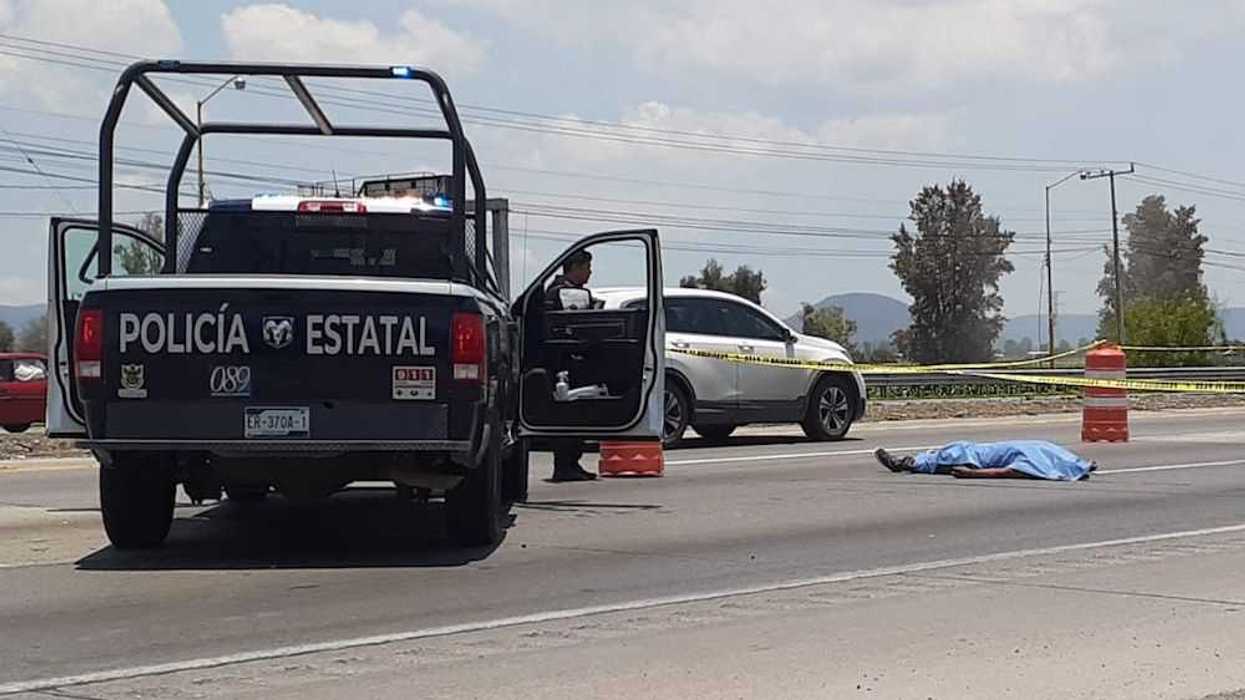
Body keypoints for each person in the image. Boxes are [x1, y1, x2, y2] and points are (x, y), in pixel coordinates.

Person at [544, 249, 597, 482]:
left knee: (576, 413)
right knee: (570, 412)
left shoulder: (571, 292)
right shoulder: (562, 293)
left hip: (571, 360)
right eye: (586, 267)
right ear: (575, 267)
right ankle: (565, 464)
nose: (590, 272)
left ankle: (571, 463)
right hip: (565, 361)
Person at [873, 440, 1097, 481]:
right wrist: (1084, 465)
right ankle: (912, 461)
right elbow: (1075, 461)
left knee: (953, 454)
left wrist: (972, 475)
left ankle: (905, 463)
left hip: (978, 458)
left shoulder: (1037, 462)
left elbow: (1008, 473)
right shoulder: (1055, 454)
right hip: (984, 450)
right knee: (957, 449)